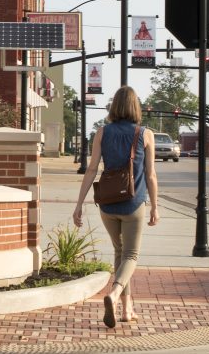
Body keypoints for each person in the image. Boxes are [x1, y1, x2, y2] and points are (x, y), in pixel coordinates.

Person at [72, 85, 159, 328]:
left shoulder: (102, 132)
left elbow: (91, 169)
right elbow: (150, 176)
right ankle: (114, 292)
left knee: (119, 253)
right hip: (133, 204)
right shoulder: (145, 134)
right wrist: (154, 206)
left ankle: (127, 309)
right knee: (131, 255)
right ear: (135, 107)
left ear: (113, 107)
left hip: (107, 205)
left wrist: (79, 204)